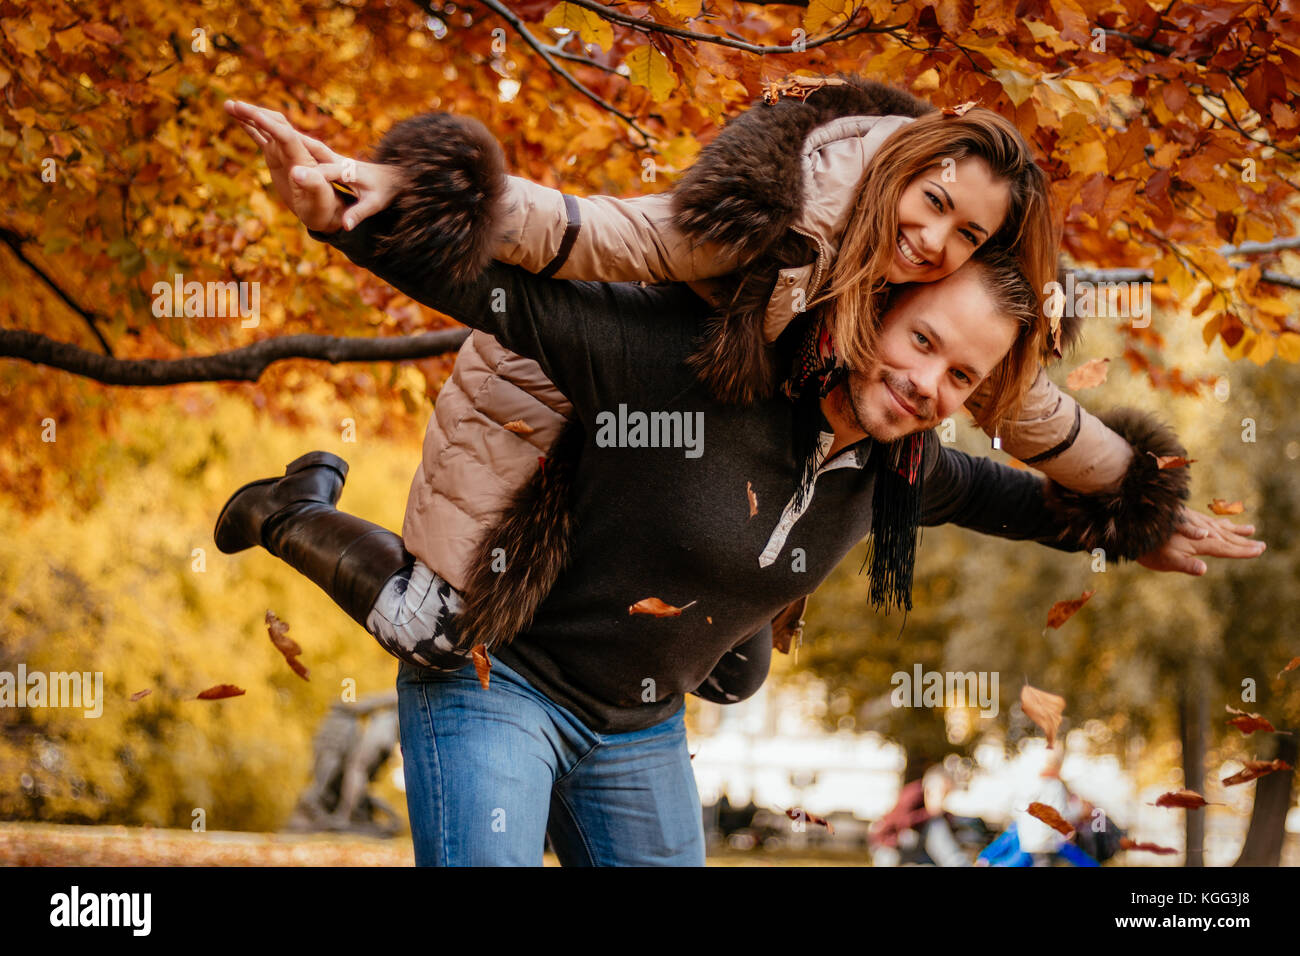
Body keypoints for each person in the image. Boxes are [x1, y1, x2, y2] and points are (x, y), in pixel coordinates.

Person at [216, 199, 1263, 863]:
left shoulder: (897, 467)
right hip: (500, 679)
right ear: (873, 303)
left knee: (736, 666)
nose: (923, 382)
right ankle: (295, 509)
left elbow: (1025, 501)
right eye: (919, 340)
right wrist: (365, 211)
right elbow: (512, 294)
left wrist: (1136, 525)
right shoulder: (698, 370)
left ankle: (297, 506)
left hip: (636, 725)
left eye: (962, 377)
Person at [219, 74, 1211, 702]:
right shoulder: (774, 211)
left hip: (710, 390)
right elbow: (592, 231)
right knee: (437, 629)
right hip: (570, 364)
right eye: (932, 204)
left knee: (727, 659)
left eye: (968, 237)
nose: (935, 241)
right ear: (901, 172)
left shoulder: (927, 316)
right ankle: (287, 510)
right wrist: (387, 199)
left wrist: (1133, 499)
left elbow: (1027, 425)